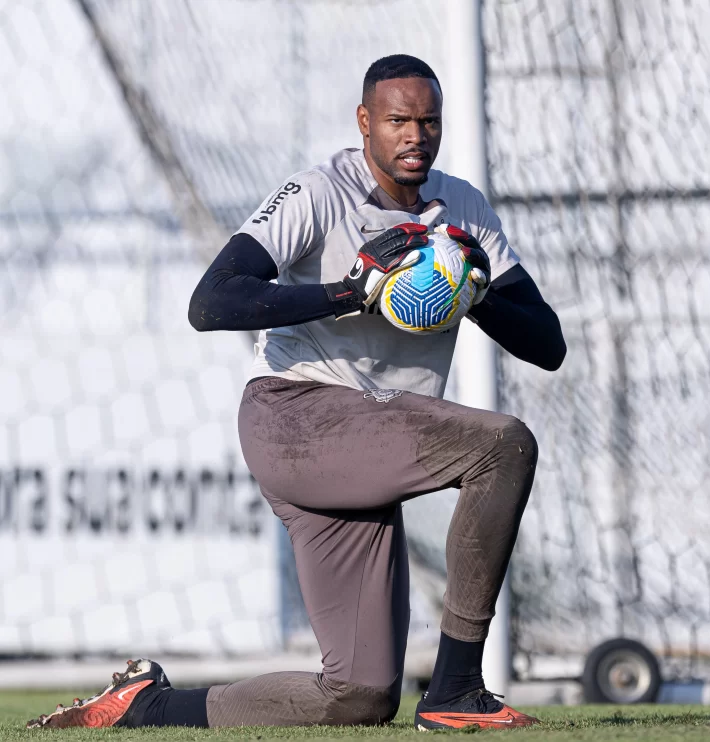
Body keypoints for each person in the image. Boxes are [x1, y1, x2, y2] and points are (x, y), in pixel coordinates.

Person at [28, 54, 565, 731]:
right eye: (398, 120)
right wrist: (352, 292)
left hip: (368, 438)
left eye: (428, 122)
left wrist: (473, 287)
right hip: (296, 417)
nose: (415, 136)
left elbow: (547, 344)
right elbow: (212, 302)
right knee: (502, 445)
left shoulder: (462, 211)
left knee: (358, 697)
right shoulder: (317, 193)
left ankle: (148, 705)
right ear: (365, 121)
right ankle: (457, 688)